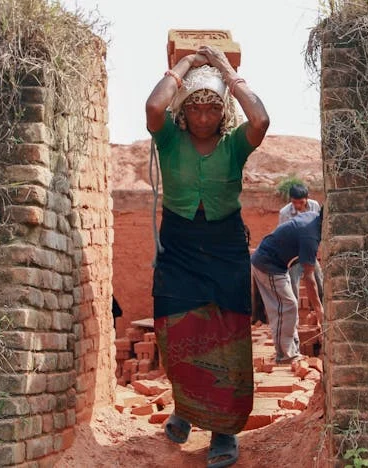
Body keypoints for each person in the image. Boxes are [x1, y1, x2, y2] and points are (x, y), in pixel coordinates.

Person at [145, 45, 269, 468]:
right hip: (178, 246)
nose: (203, 117)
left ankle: (223, 431)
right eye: (195, 108)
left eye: (212, 108)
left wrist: (225, 71)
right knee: (175, 328)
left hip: (225, 248)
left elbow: (261, 120)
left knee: (228, 334)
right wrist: (185, 64)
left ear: (224, 111)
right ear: (184, 111)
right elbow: (154, 106)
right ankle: (186, 408)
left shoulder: (235, 146)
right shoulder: (168, 139)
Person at [251, 209, 324, 364]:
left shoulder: (314, 219)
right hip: (267, 264)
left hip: (277, 264)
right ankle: (285, 356)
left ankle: (292, 351)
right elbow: (309, 278)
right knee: (285, 307)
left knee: (289, 306)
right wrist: (319, 309)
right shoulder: (310, 236)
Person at [278, 183, 324, 303]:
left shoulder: (314, 206)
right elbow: (282, 236)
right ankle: (294, 314)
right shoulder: (284, 213)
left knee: (319, 280)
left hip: (309, 253)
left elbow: (319, 228)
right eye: (294, 202)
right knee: (293, 286)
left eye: (301, 202)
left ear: (307, 198)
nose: (298, 205)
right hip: (294, 256)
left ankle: (319, 309)